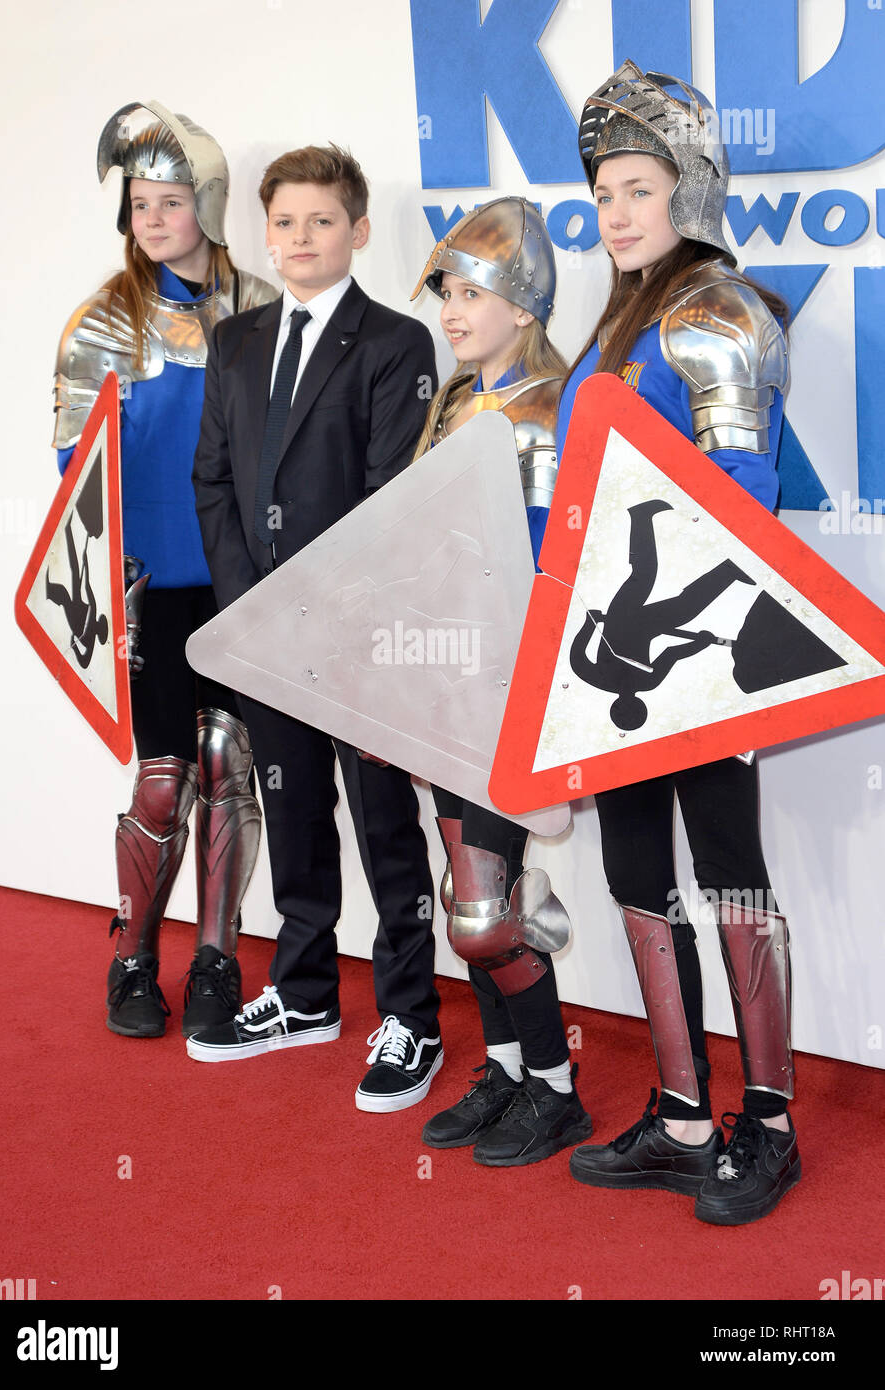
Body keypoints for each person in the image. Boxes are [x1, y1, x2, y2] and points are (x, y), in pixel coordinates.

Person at [560, 61, 797, 1224]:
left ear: (689, 190)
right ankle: (684, 1111)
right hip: (607, 660)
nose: (617, 211)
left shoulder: (716, 312)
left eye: (639, 187)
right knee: (637, 879)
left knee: (732, 874)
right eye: (605, 191)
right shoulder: (617, 325)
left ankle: (772, 1123)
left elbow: (741, 500)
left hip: (705, 657)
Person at [188, 144, 443, 1114]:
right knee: (291, 810)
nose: (300, 238)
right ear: (266, 233)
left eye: (321, 221)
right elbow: (214, 481)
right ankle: (303, 995)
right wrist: (250, 602)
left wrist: (326, 613)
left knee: (386, 827)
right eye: (285, 222)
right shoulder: (236, 343)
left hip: (361, 632)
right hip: (263, 628)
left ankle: (410, 1014)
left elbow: (392, 501)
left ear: (359, 230)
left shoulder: (396, 344)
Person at [53, 101, 276, 1041]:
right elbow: (75, 465)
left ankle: (219, 957)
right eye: (139, 201)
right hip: (152, 580)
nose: (151, 218)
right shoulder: (104, 322)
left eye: (171, 200)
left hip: (240, 579)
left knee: (234, 767)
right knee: (164, 774)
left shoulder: (263, 308)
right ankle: (133, 956)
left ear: (207, 206)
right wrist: (112, 577)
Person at [409, 198, 593, 1165]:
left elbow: (548, 568)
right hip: (443, 680)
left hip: (510, 688)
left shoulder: (554, 406)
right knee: (465, 896)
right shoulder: (450, 402)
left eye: (471, 292)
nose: (452, 308)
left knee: (490, 909)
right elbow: (419, 548)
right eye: (448, 290)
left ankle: (557, 1089)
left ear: (522, 308)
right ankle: (512, 1071)